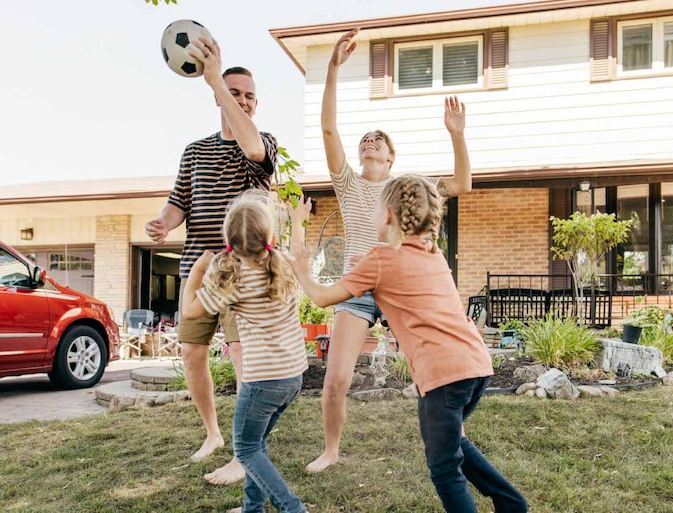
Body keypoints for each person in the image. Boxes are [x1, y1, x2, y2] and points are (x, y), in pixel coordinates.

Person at [285, 176, 528, 513]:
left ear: (386, 216)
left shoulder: (379, 260)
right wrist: (368, 268)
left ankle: (512, 503)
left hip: (444, 375)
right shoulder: (433, 253)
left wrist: (300, 267)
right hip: (475, 366)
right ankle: (511, 503)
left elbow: (323, 296)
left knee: (444, 468)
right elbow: (400, 276)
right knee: (451, 442)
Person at [307, 27, 472, 474]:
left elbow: (460, 185)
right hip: (359, 286)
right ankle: (331, 450)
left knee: (437, 370)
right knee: (337, 378)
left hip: (403, 282)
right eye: (366, 139)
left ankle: (457, 438)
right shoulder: (348, 183)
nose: (370, 141)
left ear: (392, 157)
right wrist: (332, 68)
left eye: (379, 140)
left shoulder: (406, 189)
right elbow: (327, 127)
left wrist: (457, 134)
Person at [145, 36, 276, 485]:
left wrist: (217, 80)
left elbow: (255, 151)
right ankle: (213, 434)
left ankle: (246, 450)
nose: (242, 100)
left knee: (242, 355)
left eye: (249, 96)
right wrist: (163, 223)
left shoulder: (260, 143)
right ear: (217, 98)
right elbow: (179, 201)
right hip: (195, 270)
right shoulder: (194, 150)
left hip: (243, 271)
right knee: (191, 353)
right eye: (234, 92)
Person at [182, 191, 310, 513]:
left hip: (262, 381)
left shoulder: (232, 278)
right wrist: (297, 222)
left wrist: (197, 272)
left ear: (229, 239)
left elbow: (190, 312)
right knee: (258, 444)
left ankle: (292, 508)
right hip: (293, 376)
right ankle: (253, 509)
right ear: (269, 236)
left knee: (247, 447)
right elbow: (298, 249)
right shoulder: (281, 264)